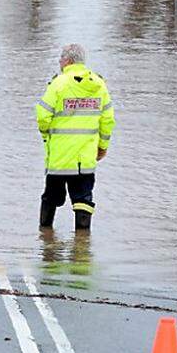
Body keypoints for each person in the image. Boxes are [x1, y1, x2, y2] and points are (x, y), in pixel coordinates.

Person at [34, 44, 115, 230]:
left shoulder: (58, 83)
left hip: (60, 157)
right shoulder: (98, 84)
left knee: (51, 197)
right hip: (85, 159)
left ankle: (46, 242)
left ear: (68, 60)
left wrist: (47, 137)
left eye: (61, 60)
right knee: (83, 200)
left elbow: (42, 116)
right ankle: (82, 246)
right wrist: (102, 147)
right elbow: (108, 120)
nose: (60, 63)